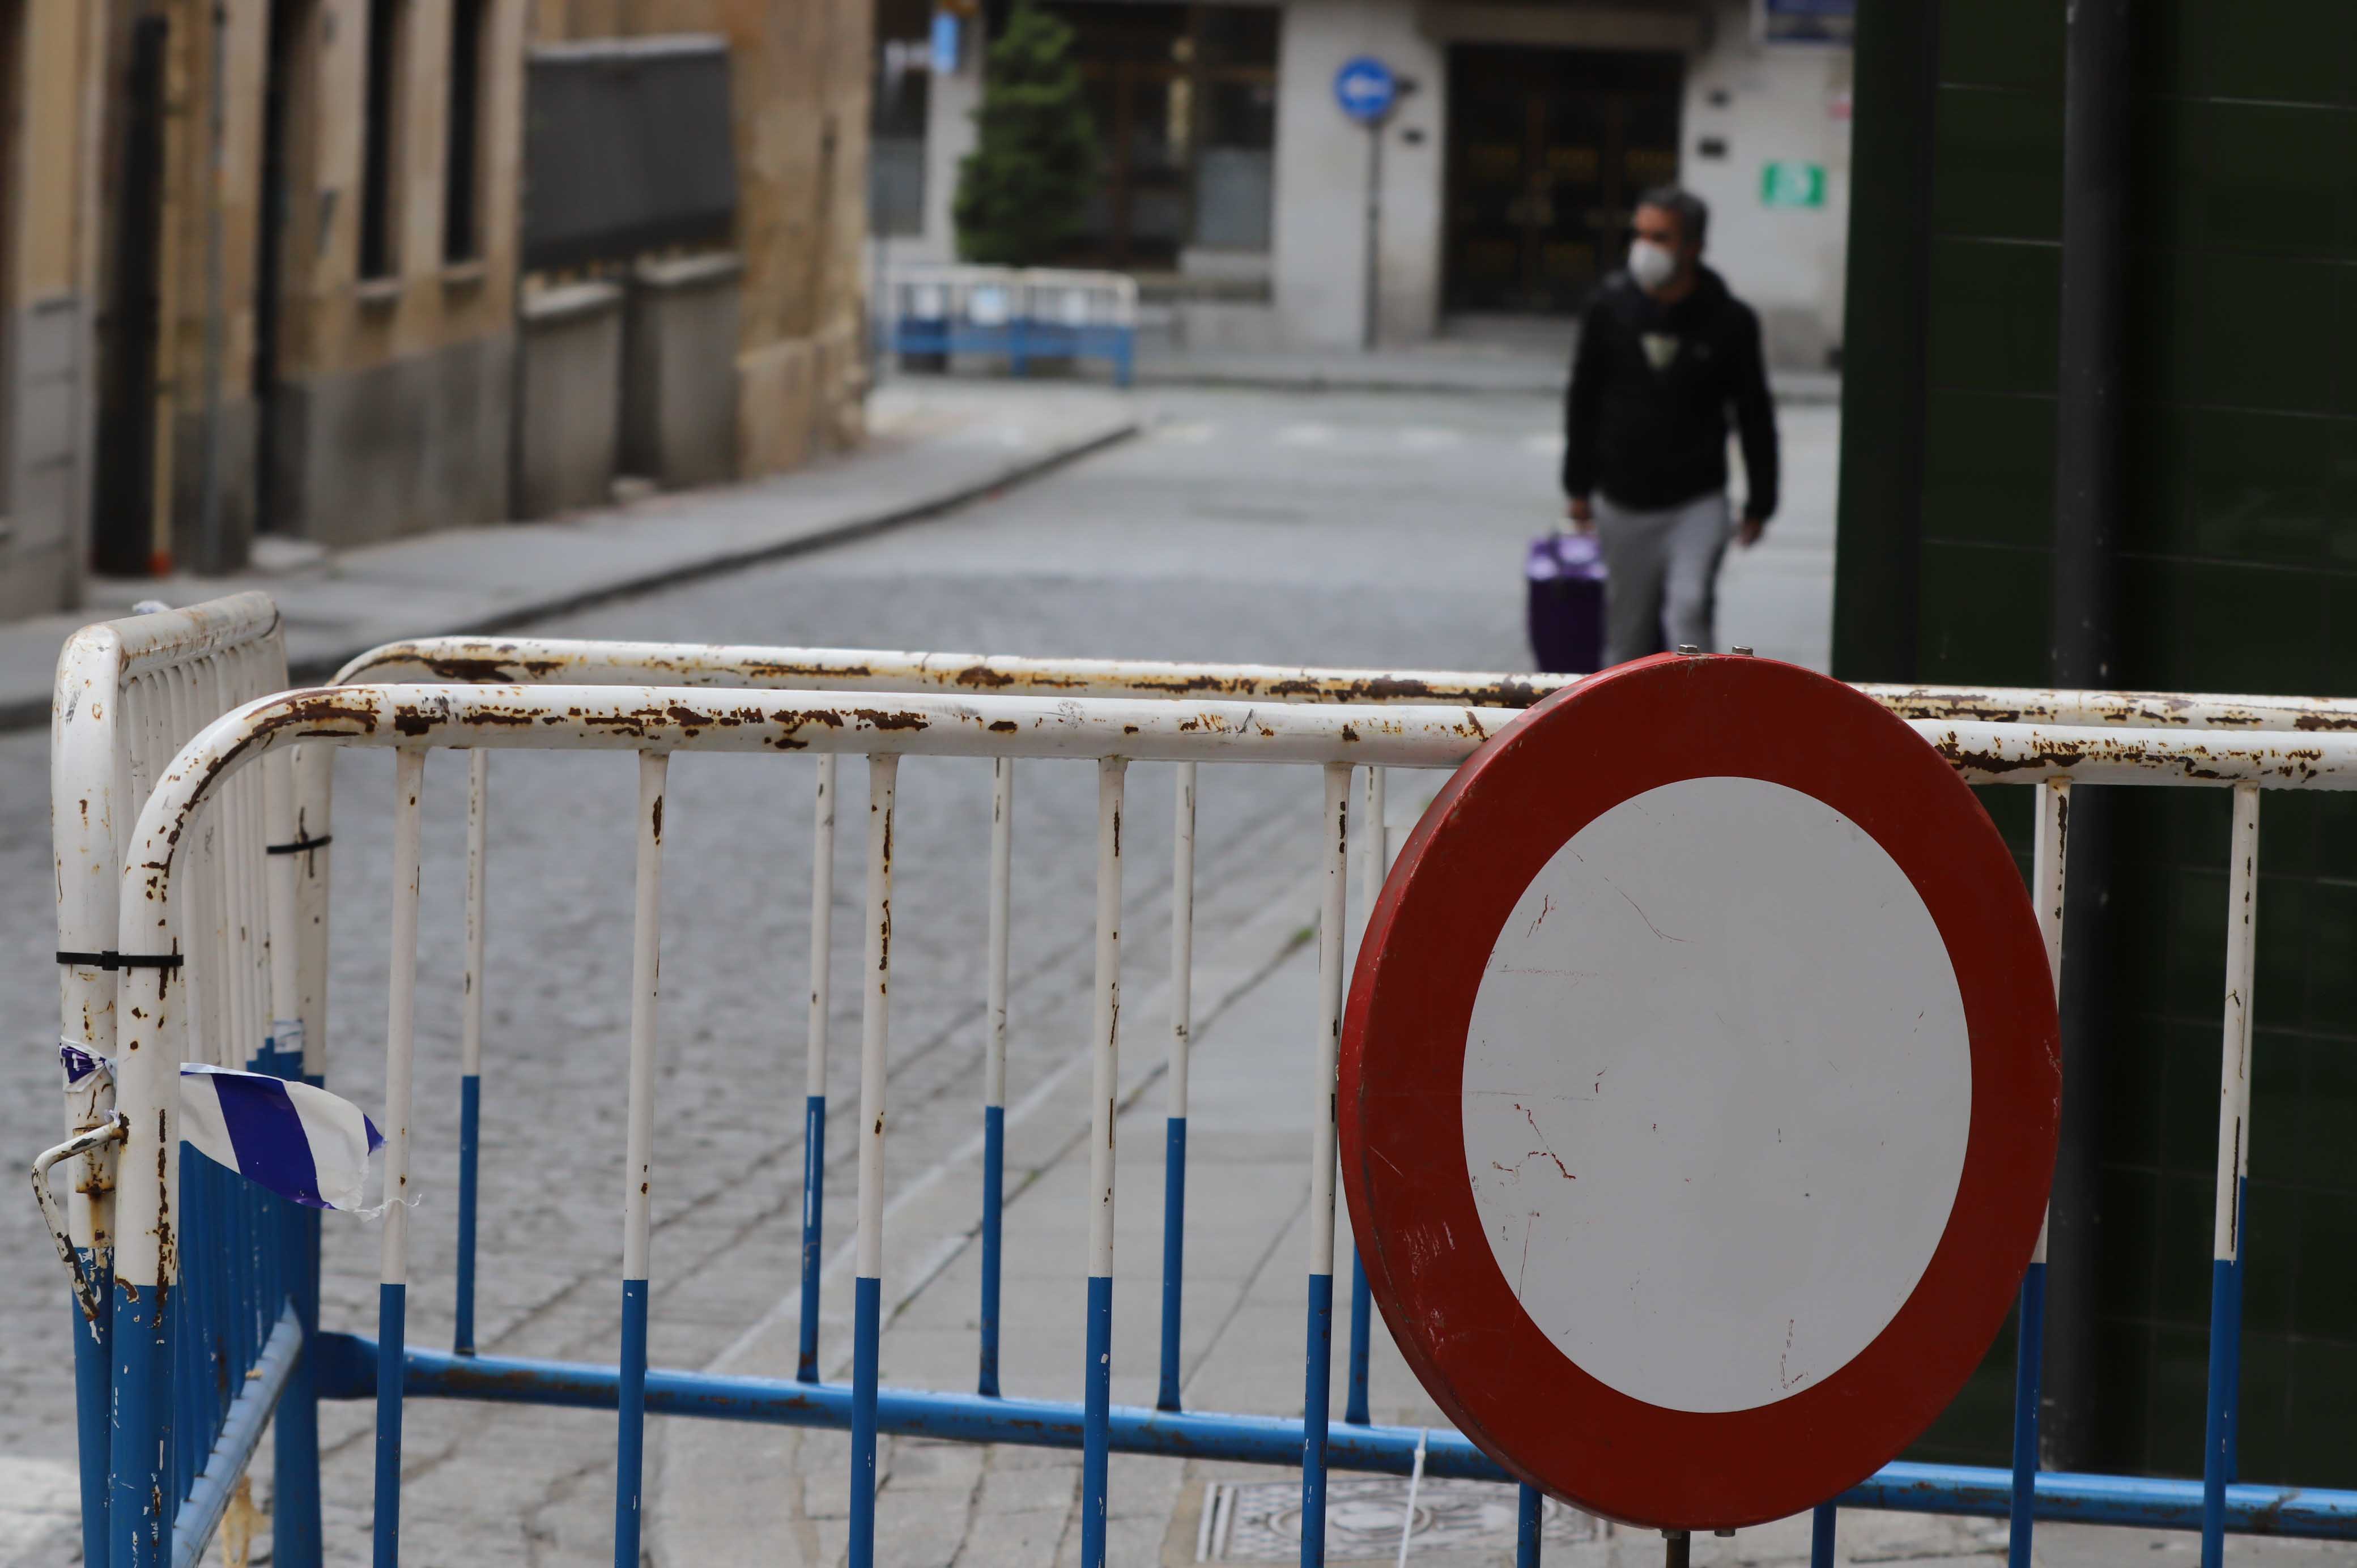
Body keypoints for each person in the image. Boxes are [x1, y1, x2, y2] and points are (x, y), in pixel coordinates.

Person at [1561, 187, 1779, 666]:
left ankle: (1695, 730)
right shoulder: (1609, 308)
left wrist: (1761, 501)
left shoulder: (1729, 320)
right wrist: (1578, 486)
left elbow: (1754, 413)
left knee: (1689, 612)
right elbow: (1584, 400)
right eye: (1639, 235)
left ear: (1693, 246)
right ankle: (1623, 735)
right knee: (1627, 636)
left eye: (1660, 237)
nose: (1645, 248)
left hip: (1696, 503)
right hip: (1622, 502)